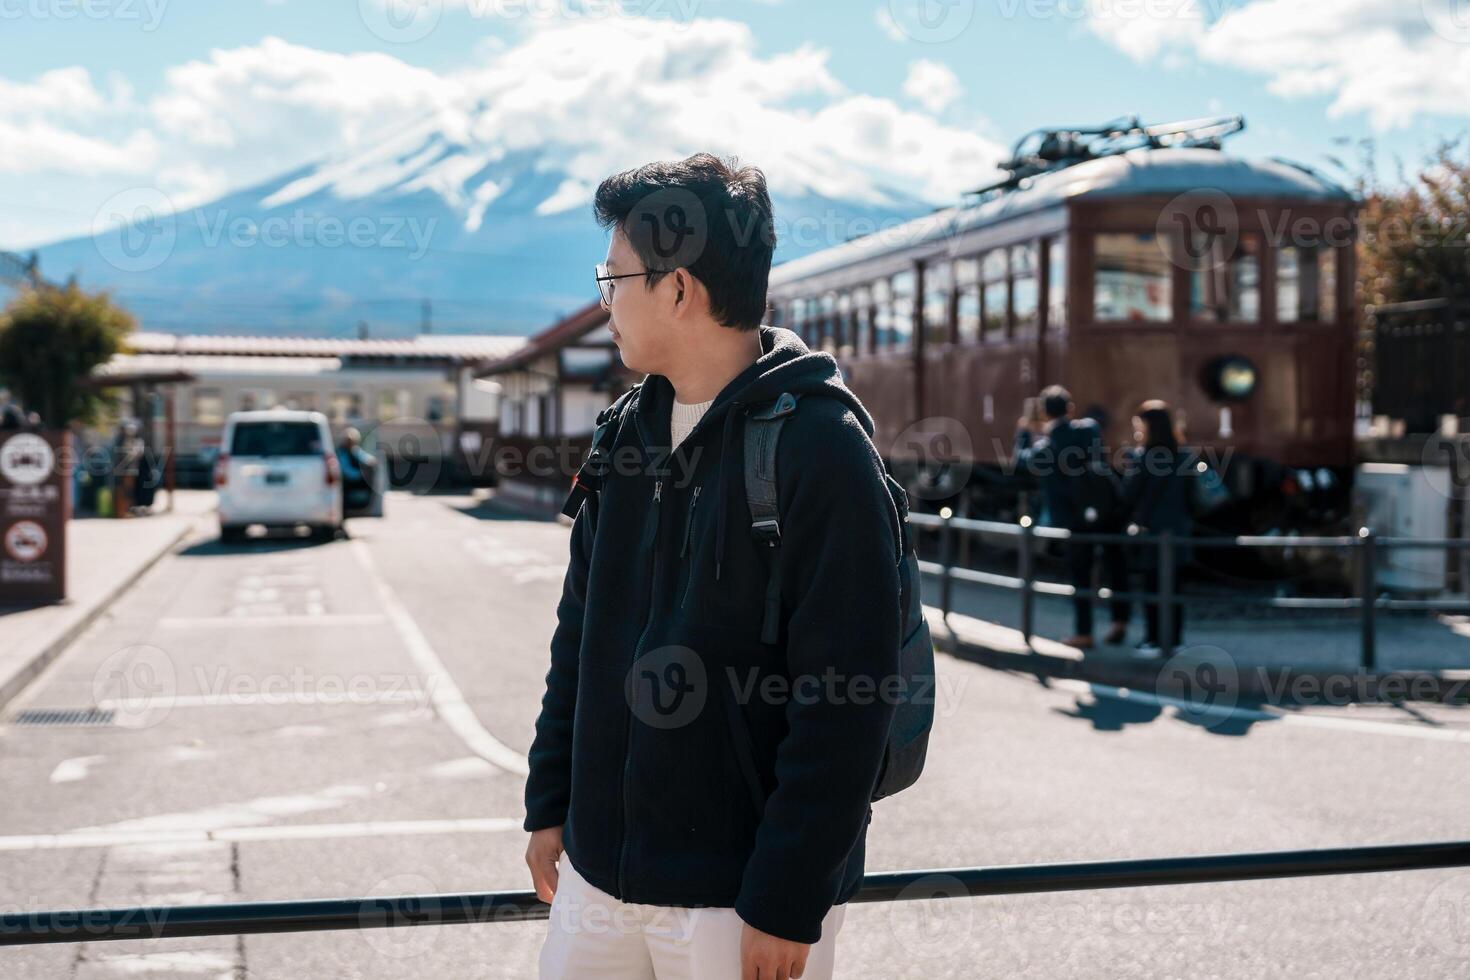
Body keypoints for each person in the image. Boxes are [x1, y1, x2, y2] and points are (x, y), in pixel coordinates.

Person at [524, 154, 902, 980]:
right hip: (599, 876)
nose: (605, 300)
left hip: (739, 899)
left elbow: (852, 693)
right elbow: (579, 635)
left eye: (613, 277)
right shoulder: (626, 432)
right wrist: (550, 800)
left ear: (679, 289)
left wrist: (789, 893)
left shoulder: (820, 448)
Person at [1014, 385, 1129, 648]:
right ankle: (1120, 621)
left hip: (1074, 517)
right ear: (1071, 409)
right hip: (1106, 508)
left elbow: (1020, 461)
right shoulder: (1089, 429)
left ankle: (1084, 633)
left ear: (1043, 414)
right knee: (1115, 565)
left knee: (1081, 574)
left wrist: (1023, 431)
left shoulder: (1045, 446)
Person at [1120, 400, 1194, 656]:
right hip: (1179, 531)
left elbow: (1129, 496)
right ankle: (1175, 640)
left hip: (1152, 532)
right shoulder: (1184, 456)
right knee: (1174, 589)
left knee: (1152, 588)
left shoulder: (1144, 457)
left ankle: (1153, 639)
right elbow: (1192, 496)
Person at [335, 427, 377, 515]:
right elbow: (346, 470)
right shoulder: (342, 452)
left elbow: (364, 457)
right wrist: (360, 475)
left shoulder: (354, 450)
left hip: (353, 480)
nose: (351, 444)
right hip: (344, 483)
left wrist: (371, 462)